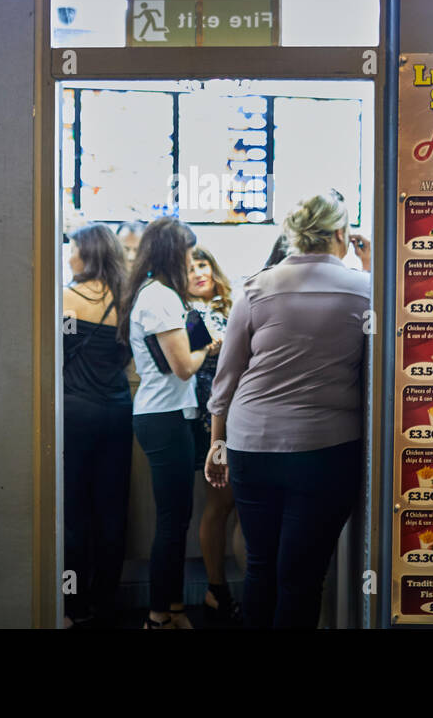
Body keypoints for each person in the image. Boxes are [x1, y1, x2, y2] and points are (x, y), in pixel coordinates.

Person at [205, 192, 372, 628]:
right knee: (301, 578)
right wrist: (371, 264)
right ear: (341, 234)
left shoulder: (257, 287)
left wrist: (216, 443)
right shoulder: (365, 289)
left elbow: (227, 376)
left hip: (251, 445)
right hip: (325, 449)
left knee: (260, 567)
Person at [119, 216, 212, 629]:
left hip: (172, 416)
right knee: (173, 521)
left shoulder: (160, 293)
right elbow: (184, 368)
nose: (193, 262)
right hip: (164, 417)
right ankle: (158, 615)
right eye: (189, 253)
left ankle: (173, 608)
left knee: (178, 517)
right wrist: (209, 347)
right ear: (173, 253)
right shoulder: (159, 298)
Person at [62, 224, 133, 628]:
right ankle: (106, 604)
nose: (69, 257)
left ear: (87, 255)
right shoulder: (126, 300)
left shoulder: (68, 300)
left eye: (72, 250)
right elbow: (125, 355)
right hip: (118, 412)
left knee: (74, 513)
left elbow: (58, 354)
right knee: (112, 512)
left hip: (77, 414)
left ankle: (72, 605)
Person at [185, 245, 238, 623]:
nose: (199, 272)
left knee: (241, 508)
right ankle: (216, 589)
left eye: (203, 264)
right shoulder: (184, 312)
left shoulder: (235, 305)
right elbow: (187, 359)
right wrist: (208, 347)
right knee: (219, 505)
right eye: (190, 268)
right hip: (210, 419)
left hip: (247, 413)